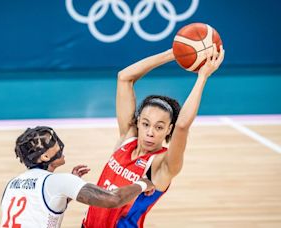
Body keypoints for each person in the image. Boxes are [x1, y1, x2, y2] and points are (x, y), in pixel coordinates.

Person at [82, 44, 225, 227]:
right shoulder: (128, 139)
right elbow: (124, 78)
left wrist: (202, 77)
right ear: (138, 122)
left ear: (168, 129)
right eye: (146, 124)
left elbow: (182, 125)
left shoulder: (161, 166)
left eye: (159, 127)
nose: (150, 132)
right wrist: (173, 54)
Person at [0, 126, 155, 228]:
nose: (57, 143)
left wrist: (67, 192)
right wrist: (142, 184)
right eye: (51, 142)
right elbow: (112, 200)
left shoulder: (12, 184)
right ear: (46, 156)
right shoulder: (58, 181)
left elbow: (40, 209)